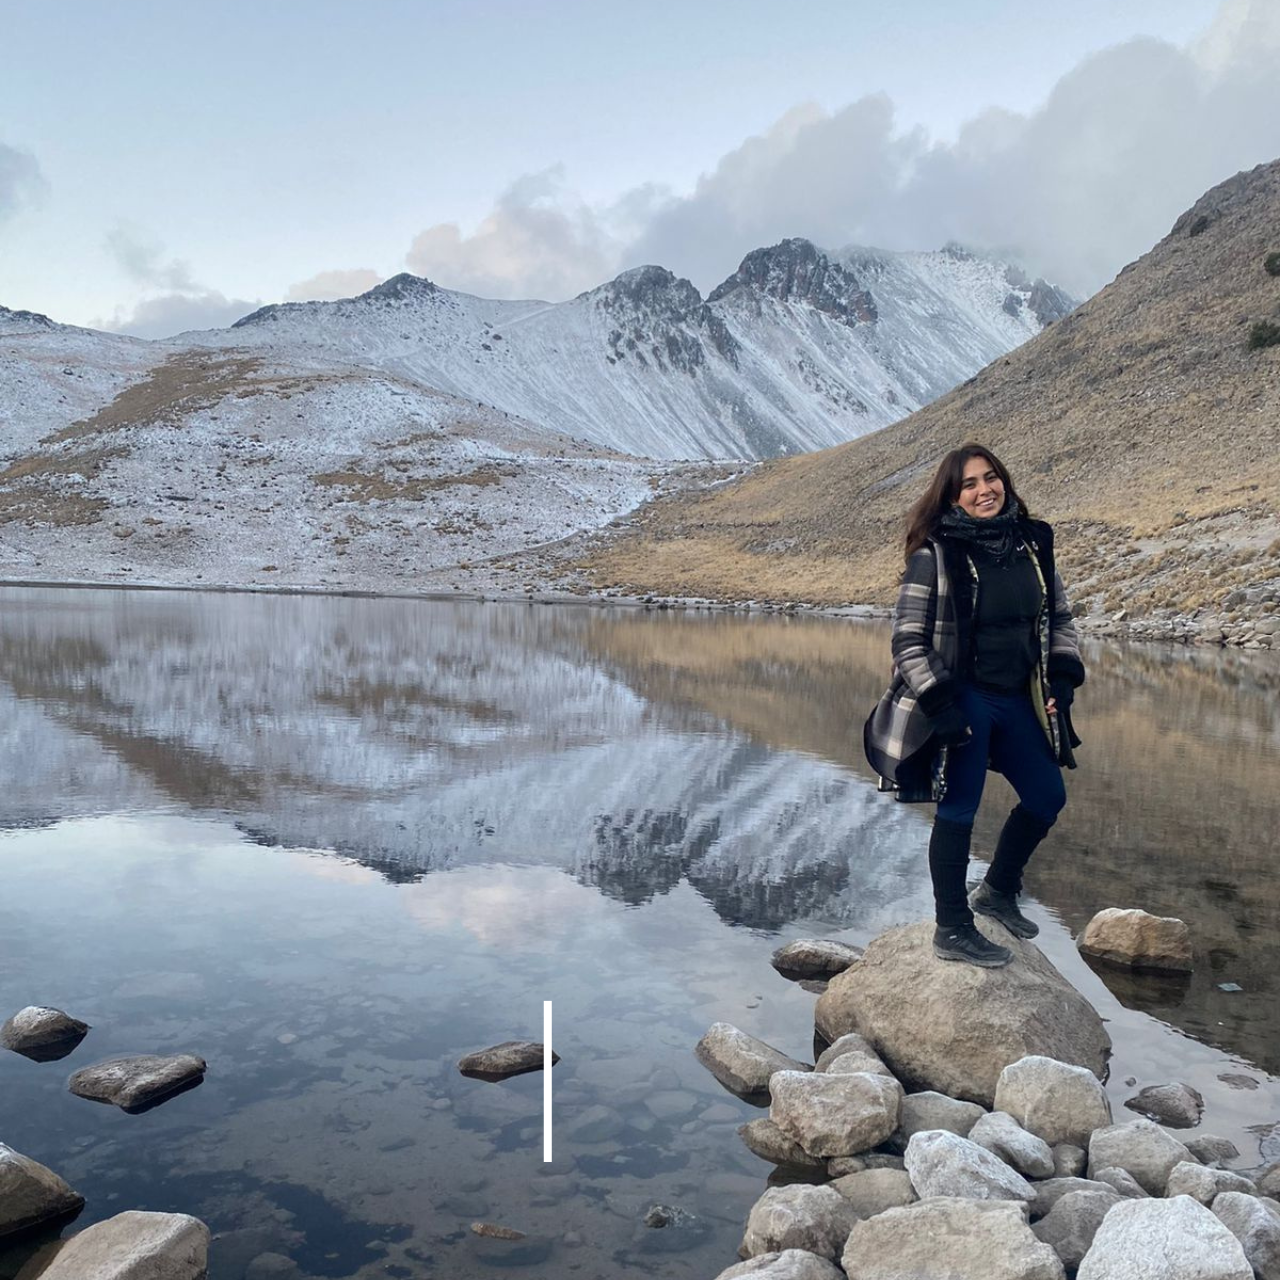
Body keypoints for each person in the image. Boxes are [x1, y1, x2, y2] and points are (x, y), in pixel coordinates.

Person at [864, 443, 1085, 967]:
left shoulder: (1031, 544)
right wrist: (940, 704)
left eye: (991, 478)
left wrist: (1063, 676)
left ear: (1004, 480)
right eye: (969, 484)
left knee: (1046, 797)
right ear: (952, 497)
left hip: (1017, 698)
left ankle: (998, 891)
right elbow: (908, 640)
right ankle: (953, 927)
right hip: (964, 695)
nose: (984, 490)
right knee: (959, 808)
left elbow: (1060, 618)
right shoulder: (936, 555)